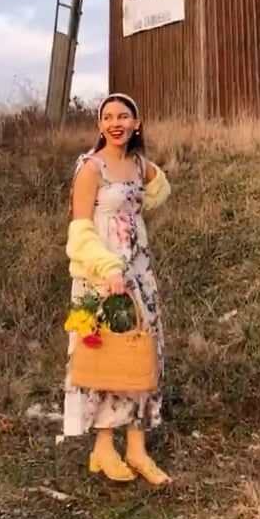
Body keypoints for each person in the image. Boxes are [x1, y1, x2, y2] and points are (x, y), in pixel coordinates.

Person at [63, 92, 172, 486]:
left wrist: (153, 181)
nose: (115, 123)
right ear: (99, 125)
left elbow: (157, 191)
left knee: (140, 353)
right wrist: (107, 267)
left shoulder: (140, 164)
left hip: (140, 272)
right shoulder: (91, 168)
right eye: (107, 117)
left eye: (123, 116)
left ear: (136, 122)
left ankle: (138, 450)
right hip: (103, 274)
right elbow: (79, 229)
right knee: (107, 357)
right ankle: (104, 447)